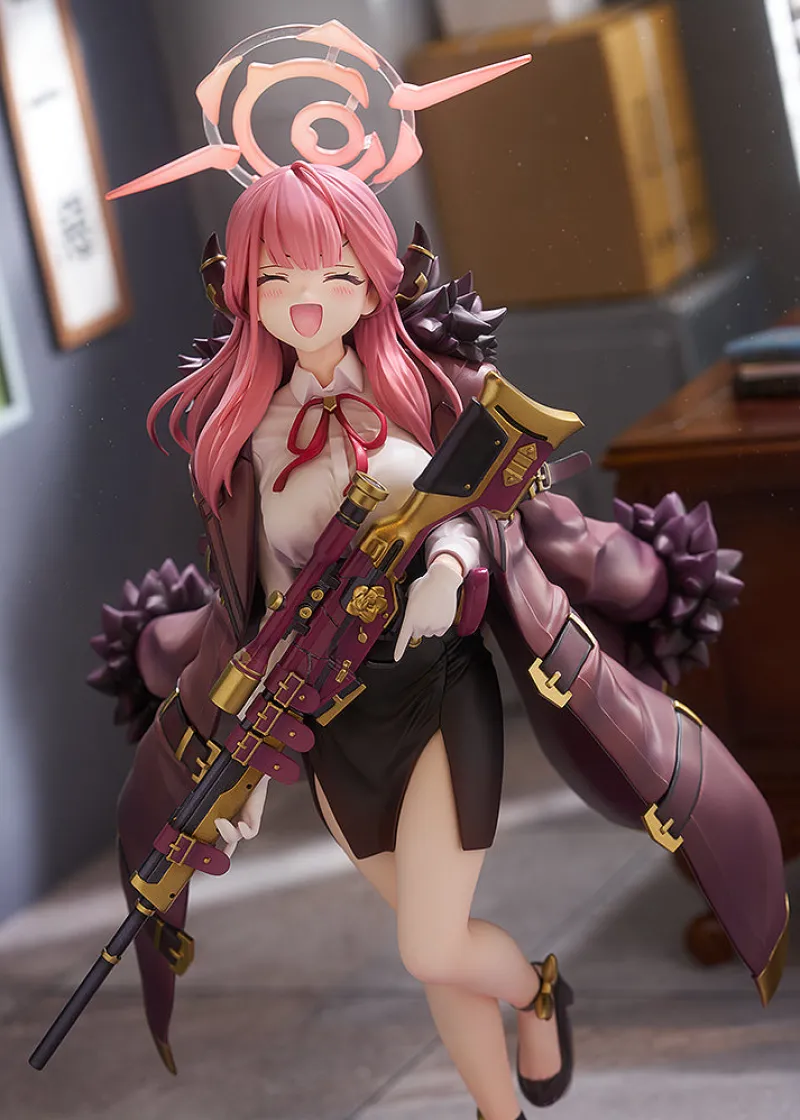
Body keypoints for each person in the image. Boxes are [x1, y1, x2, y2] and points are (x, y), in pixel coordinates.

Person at [89, 22, 788, 1120]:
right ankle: (503, 1091)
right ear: (243, 289)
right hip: (329, 722)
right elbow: (252, 609)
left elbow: (471, 512)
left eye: (332, 273)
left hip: (432, 696)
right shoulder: (242, 442)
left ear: (372, 278)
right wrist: (234, 761)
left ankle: (538, 992)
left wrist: (448, 566)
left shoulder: (414, 399)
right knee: (435, 952)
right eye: (278, 277)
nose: (305, 299)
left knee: (428, 941)